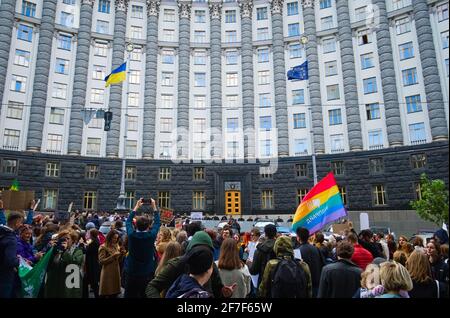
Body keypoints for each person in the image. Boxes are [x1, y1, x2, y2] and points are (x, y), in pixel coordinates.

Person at [145, 231, 235, 298]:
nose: (202, 255)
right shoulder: (177, 264)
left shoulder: (210, 265)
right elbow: (152, 287)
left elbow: (218, 290)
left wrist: (224, 293)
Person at [123, 198, 160, 298]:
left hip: (132, 272)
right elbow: (157, 223)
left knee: (129, 295)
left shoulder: (131, 235)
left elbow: (128, 222)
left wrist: (136, 207)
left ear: (136, 225)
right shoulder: (151, 236)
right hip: (146, 273)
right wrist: (154, 206)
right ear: (148, 226)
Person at [44, 230, 84, 298]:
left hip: (70, 283)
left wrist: (65, 251)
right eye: (62, 238)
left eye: (68, 238)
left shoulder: (78, 251)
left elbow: (74, 263)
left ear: (73, 240)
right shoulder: (56, 250)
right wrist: (51, 250)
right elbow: (47, 265)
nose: (65, 240)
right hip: (55, 283)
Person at [0, 210, 25, 298]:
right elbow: (10, 261)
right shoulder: (11, 239)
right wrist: (18, 260)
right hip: (4, 277)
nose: (21, 225)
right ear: (17, 223)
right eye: (21, 222)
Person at [294, 227, 324, 297]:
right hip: (317, 283)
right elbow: (322, 264)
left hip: (304, 286)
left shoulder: (297, 251)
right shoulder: (316, 249)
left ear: (298, 238)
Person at [248, 224, 277, 290]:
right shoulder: (281, 247)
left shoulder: (260, 249)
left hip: (264, 283)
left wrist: (249, 264)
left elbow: (253, 271)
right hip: (278, 282)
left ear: (265, 234)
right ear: (276, 233)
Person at [99, 229, 124, 298]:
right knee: (107, 292)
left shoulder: (116, 245)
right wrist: (113, 256)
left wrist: (122, 254)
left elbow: (118, 260)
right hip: (107, 273)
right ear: (109, 237)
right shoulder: (103, 247)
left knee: (114, 294)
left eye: (117, 238)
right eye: (114, 238)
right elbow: (101, 261)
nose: (115, 240)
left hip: (116, 271)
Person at [84, 228, 101, 298]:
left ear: (91, 234)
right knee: (93, 281)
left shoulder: (93, 241)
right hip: (93, 261)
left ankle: (97, 295)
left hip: (92, 262)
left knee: (94, 281)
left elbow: (87, 250)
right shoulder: (95, 240)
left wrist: (85, 246)